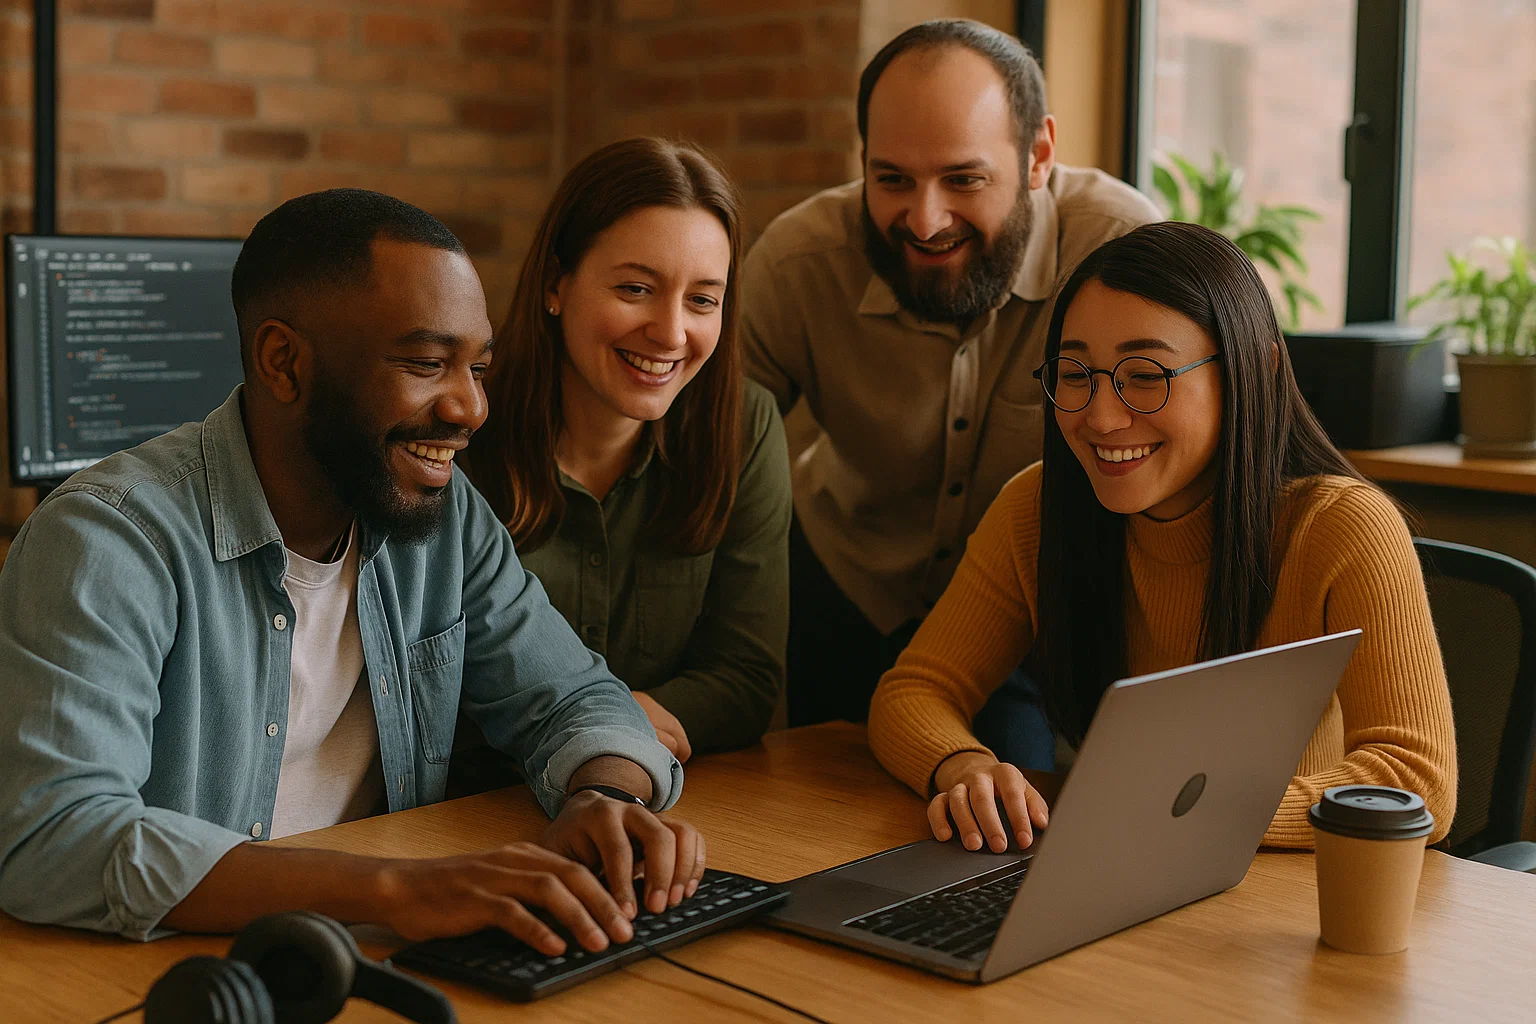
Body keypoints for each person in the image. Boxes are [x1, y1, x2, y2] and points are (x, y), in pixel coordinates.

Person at [0, 189, 706, 957]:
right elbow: (54, 838)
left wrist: (603, 796)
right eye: (427, 364)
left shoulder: (446, 517)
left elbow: (571, 696)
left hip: (367, 952)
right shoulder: (109, 539)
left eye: (478, 368)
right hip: (175, 969)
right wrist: (396, 891)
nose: (470, 408)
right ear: (284, 362)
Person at [867, 220, 1457, 854]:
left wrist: (1182, 810)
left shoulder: (1341, 526)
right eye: (1075, 374)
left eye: (1146, 375)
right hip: (1127, 864)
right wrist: (963, 767)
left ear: (1252, 371)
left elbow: (1414, 780)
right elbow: (914, 691)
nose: (1101, 417)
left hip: (1291, 888)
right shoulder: (1037, 507)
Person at [739, 19, 1161, 755]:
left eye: (964, 179)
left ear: (1039, 156)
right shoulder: (799, 261)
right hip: (848, 585)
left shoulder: (1121, 253)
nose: (926, 221)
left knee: (1011, 809)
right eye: (891, 179)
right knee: (813, 807)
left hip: (1036, 608)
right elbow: (703, 444)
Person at [459, 137, 789, 774]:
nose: (670, 332)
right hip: (476, 806)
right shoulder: (462, 429)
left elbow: (746, 679)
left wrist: (612, 730)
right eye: (636, 289)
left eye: (702, 300)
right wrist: (605, 726)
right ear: (555, 284)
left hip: (654, 798)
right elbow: (426, 692)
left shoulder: (743, 427)